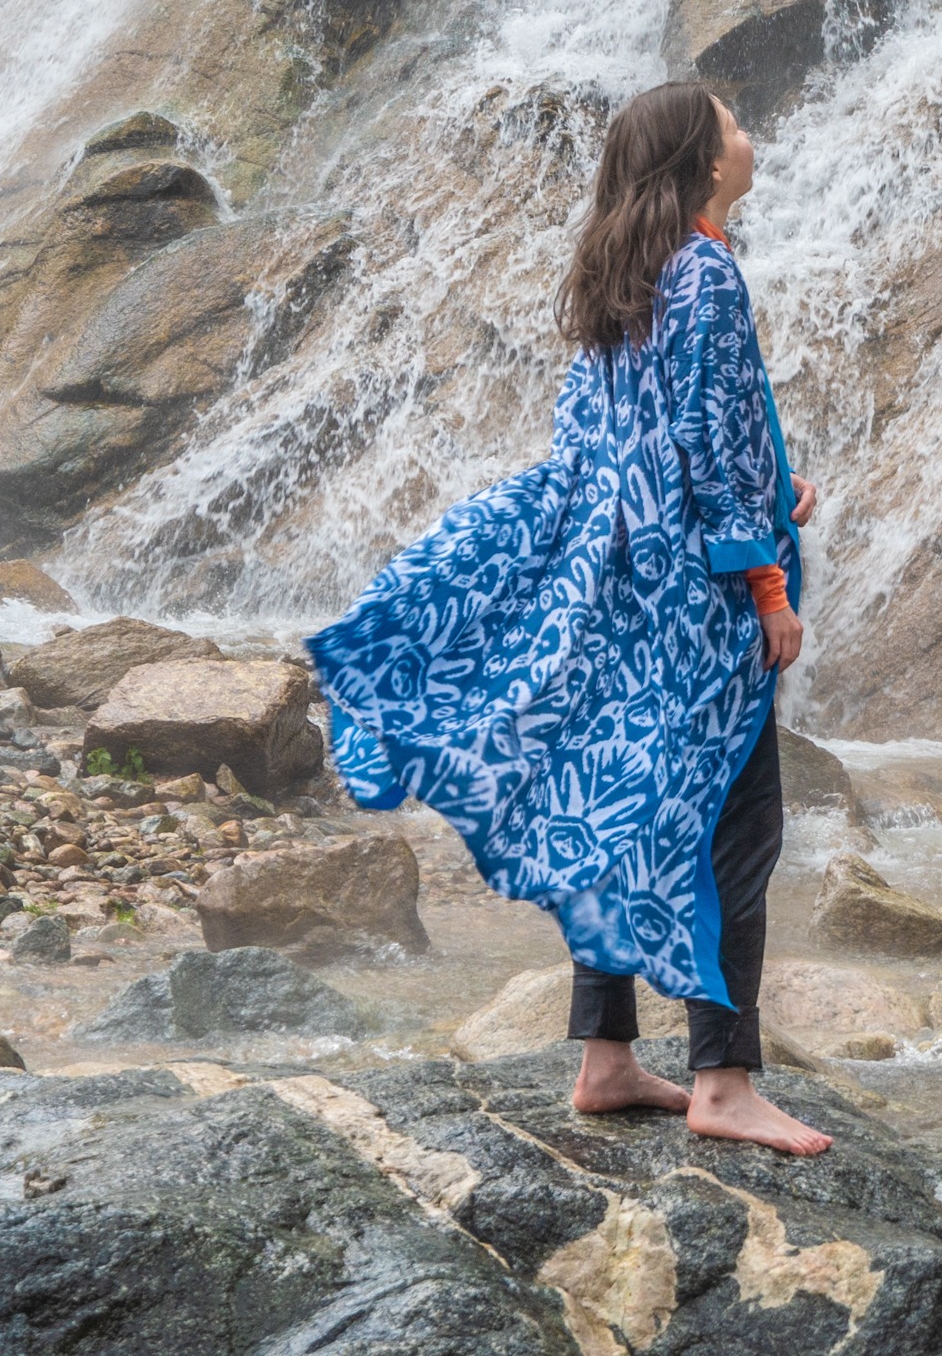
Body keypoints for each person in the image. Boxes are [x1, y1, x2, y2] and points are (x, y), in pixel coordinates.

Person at [311, 81, 830, 1153]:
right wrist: (768, 580)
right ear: (700, 158)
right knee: (736, 826)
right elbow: (718, 443)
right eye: (735, 122)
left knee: (625, 803)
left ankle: (606, 1059)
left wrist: (767, 499)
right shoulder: (709, 275)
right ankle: (724, 1085)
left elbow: (619, 443)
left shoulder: (619, 276)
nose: (750, 133)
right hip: (697, 601)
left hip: (619, 581)